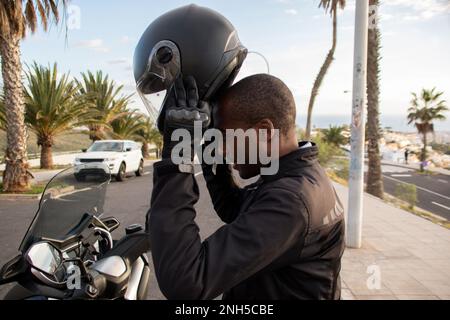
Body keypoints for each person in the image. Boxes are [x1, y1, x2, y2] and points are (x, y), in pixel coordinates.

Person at [135, 5, 345, 300]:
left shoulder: (291, 201)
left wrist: (177, 157)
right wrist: (209, 150)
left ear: (263, 131)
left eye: (227, 137)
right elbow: (236, 210)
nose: (223, 147)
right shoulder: (298, 177)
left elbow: (186, 281)